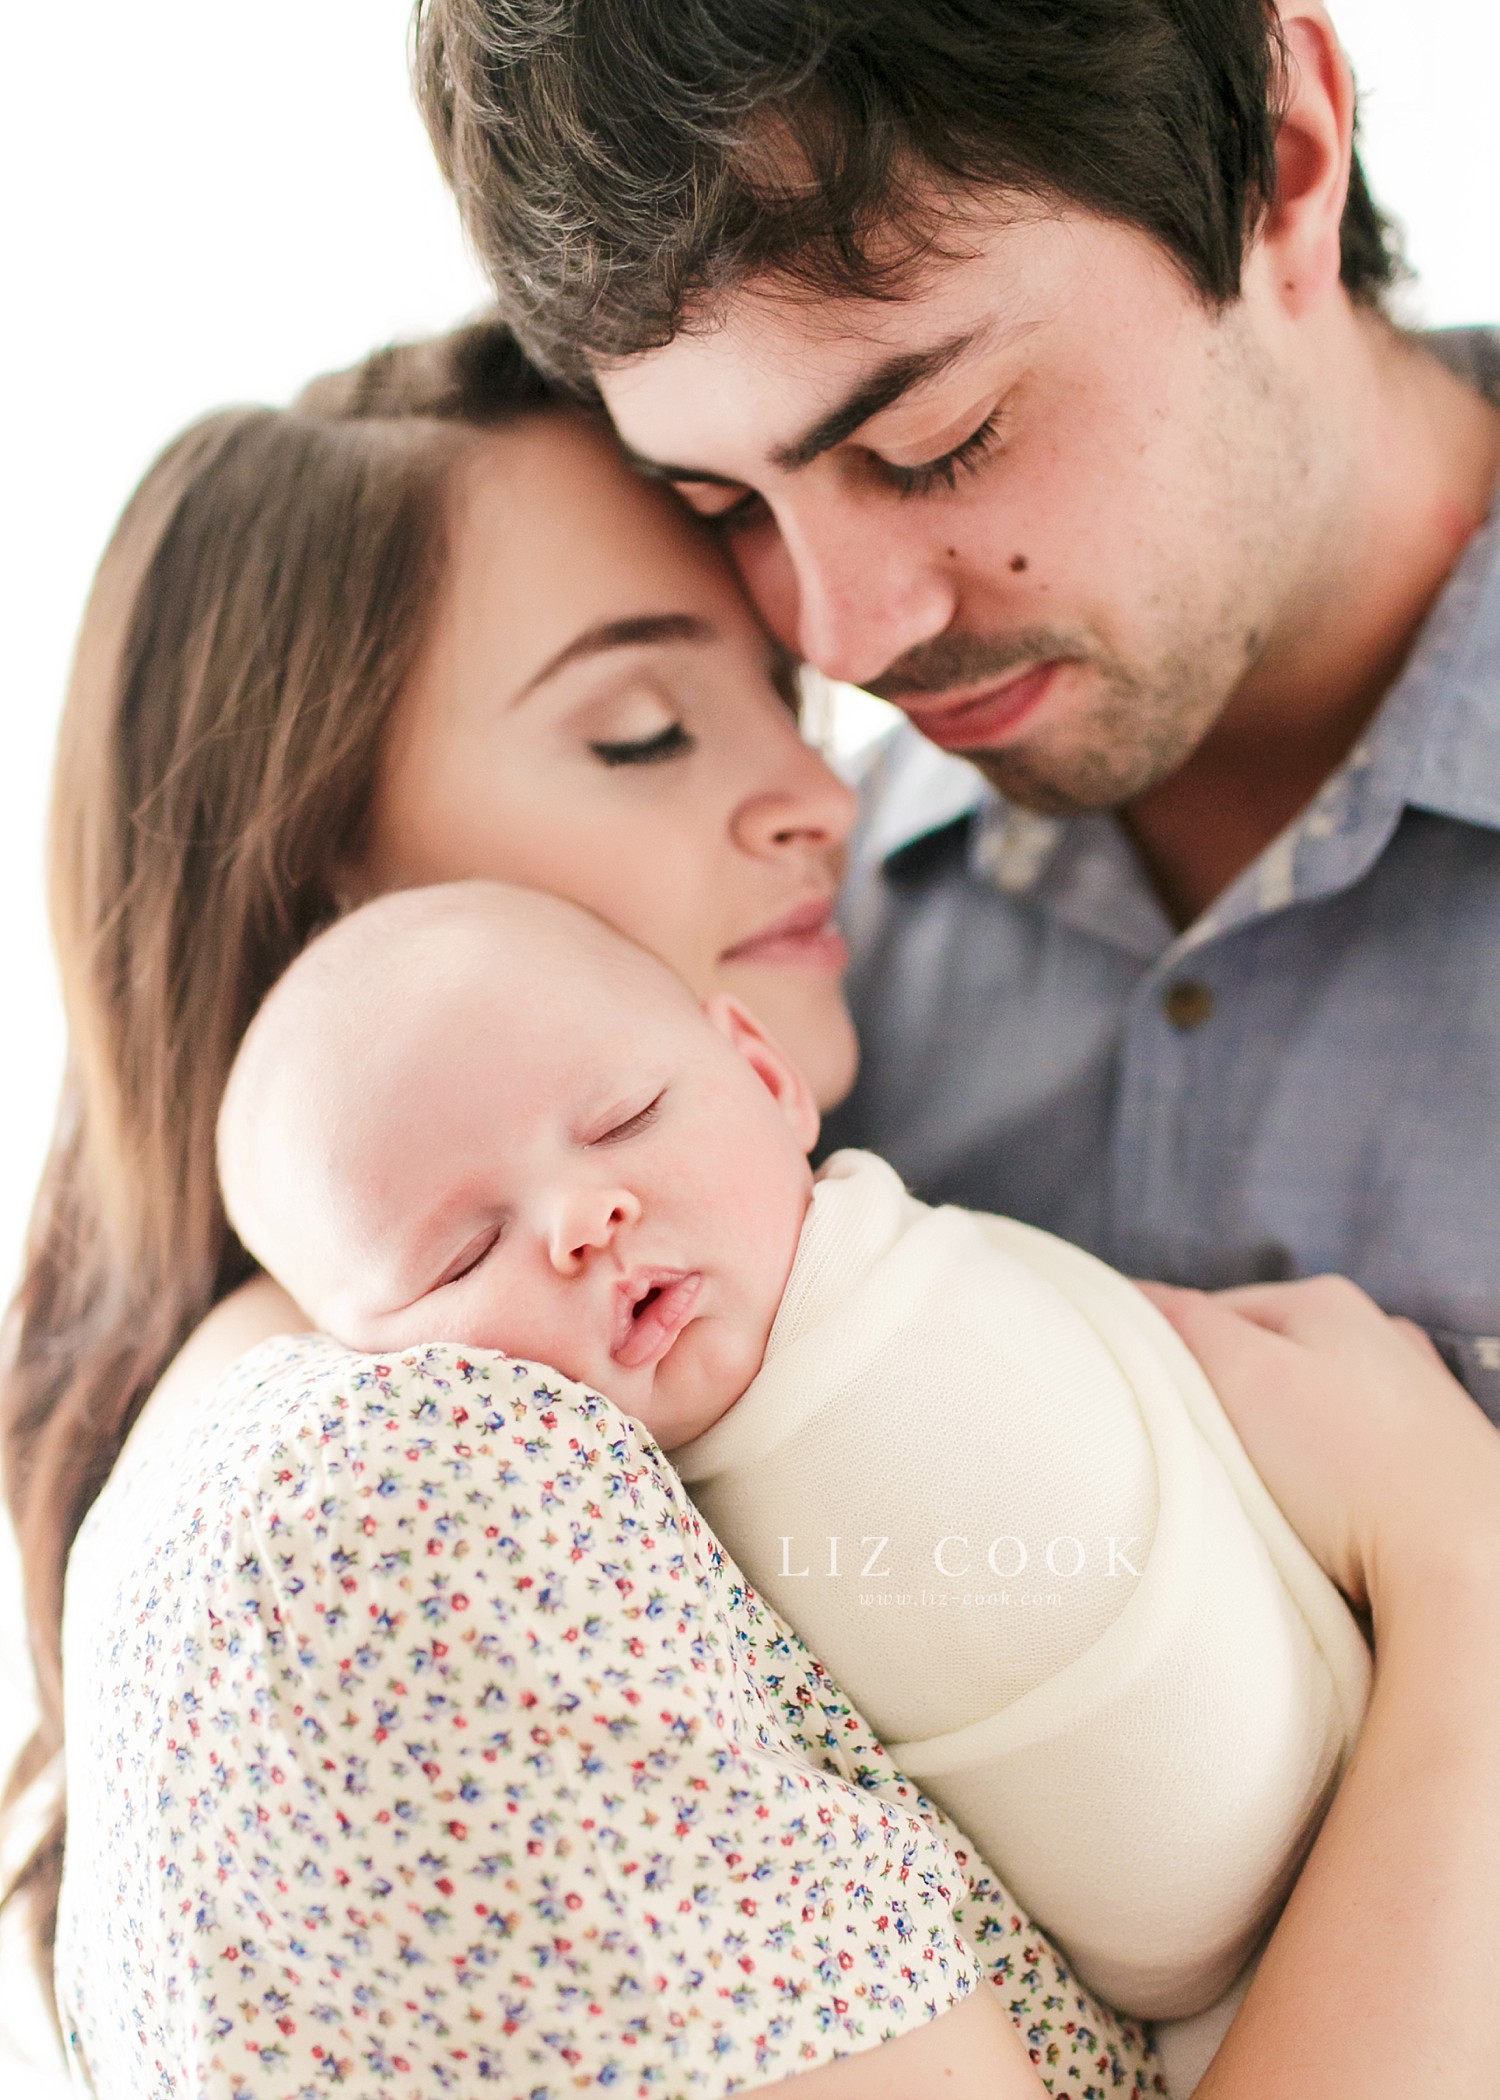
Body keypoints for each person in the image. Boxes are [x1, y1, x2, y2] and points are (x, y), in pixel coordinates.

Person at [3, 316, 1499, 2098]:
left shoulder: (618, 1356)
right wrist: (1459, 1567)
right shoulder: (402, 1509)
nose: (819, 798)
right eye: (641, 733)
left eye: (772, 709)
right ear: (328, 889)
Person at [411, 0, 1500, 1415]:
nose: (845, 641)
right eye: (725, 505)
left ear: (1280, 164)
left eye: (935, 441)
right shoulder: (787, 983)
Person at [214, 874, 1371, 2063]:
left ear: (766, 1080)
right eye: (463, 1256)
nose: (583, 1216)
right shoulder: (511, 1526)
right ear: (354, 1363)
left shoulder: (915, 1284)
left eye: (623, 1120)